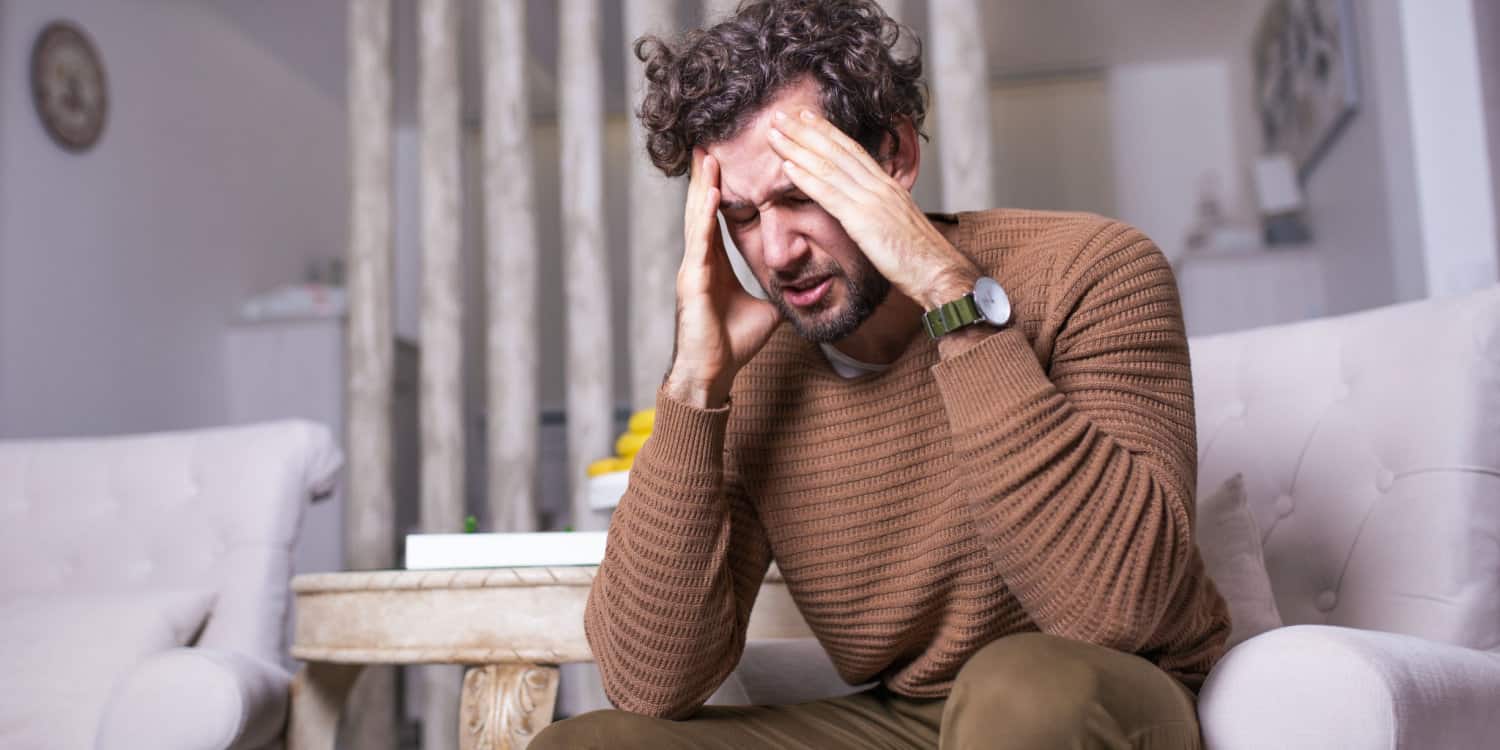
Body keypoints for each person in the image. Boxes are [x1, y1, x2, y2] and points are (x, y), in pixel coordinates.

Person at [533, 1, 1230, 747]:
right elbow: (650, 682)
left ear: (894, 155)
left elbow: (1120, 607)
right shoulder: (762, 367)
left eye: (801, 195)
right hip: (903, 721)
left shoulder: (1090, 269)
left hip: (1104, 694)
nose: (776, 252)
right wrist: (696, 387)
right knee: (588, 742)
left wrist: (951, 298)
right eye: (742, 216)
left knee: (1023, 692)